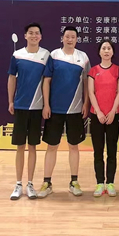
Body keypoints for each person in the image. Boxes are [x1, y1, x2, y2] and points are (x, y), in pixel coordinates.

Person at [37, 26, 90, 199]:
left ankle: (74, 182)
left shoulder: (83, 57)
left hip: (75, 109)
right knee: (52, 146)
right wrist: (46, 105)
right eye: (67, 36)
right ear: (63, 38)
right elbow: (46, 81)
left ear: (77, 39)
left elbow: (87, 83)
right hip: (55, 109)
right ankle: (47, 183)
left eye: (73, 37)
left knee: (74, 146)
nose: (70, 39)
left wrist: (86, 103)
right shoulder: (54, 55)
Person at [7, 23, 50, 200]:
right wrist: (11, 101)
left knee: (32, 146)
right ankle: (18, 184)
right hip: (21, 106)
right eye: (30, 33)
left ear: (41, 36)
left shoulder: (46, 55)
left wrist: (46, 104)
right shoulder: (17, 55)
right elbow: (11, 78)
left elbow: (47, 81)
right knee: (20, 146)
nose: (34, 36)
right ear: (25, 36)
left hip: (37, 107)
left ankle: (30, 184)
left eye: (37, 33)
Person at [88, 39, 119, 197]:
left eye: (109, 48)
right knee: (98, 151)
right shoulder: (93, 71)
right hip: (97, 116)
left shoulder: (118, 70)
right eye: (104, 48)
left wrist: (113, 111)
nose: (106, 51)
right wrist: (99, 112)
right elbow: (91, 93)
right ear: (99, 52)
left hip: (113, 116)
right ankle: (100, 183)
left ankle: (110, 183)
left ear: (113, 52)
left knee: (112, 151)